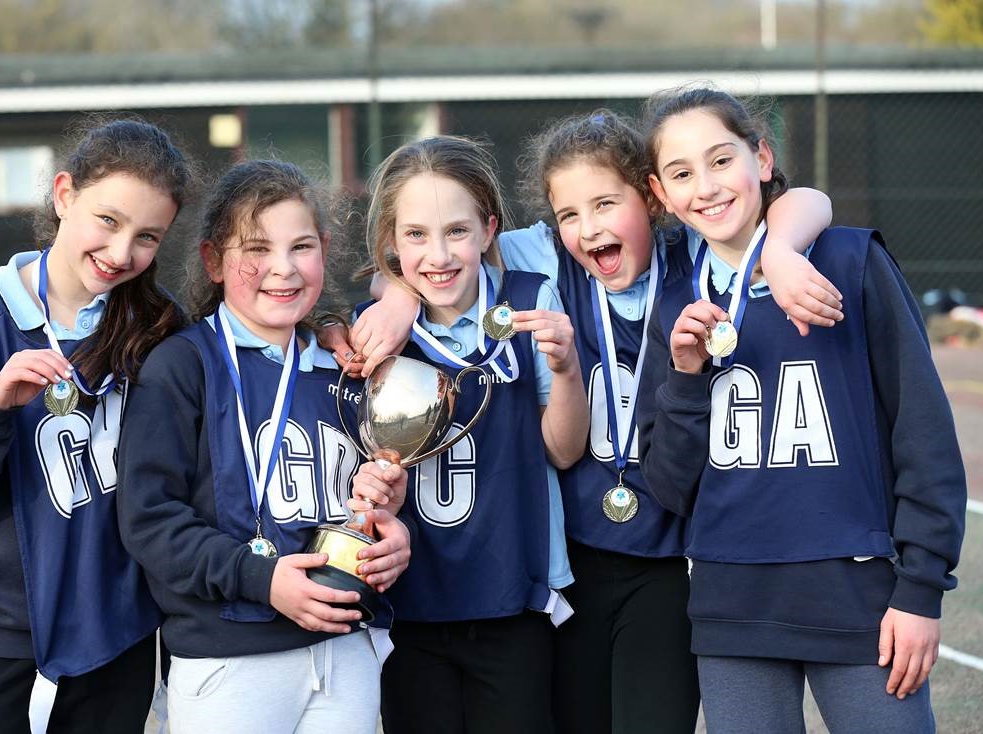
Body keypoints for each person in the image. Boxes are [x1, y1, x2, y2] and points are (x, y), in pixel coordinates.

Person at [327, 110, 839, 734]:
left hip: (668, 554)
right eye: (570, 214)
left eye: (605, 204)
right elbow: (436, 258)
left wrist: (779, 247)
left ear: (654, 197)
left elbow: (804, 200)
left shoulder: (694, 251)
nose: (588, 228)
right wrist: (400, 296)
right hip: (575, 558)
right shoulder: (541, 258)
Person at [637, 86, 966, 734]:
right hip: (733, 608)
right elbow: (670, 488)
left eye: (720, 159)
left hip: (857, 597)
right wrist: (683, 378)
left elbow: (922, 434)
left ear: (761, 157)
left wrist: (920, 589)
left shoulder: (847, 260)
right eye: (680, 173)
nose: (704, 186)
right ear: (660, 192)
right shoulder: (673, 301)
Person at [0, 118, 193, 733]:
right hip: (3, 631)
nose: (121, 254)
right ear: (64, 195)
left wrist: (371, 311)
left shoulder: (160, 327)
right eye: (108, 221)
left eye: (147, 237)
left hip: (119, 627)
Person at [115, 159, 413, 734]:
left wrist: (391, 531)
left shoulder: (350, 365)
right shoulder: (183, 365)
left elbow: (369, 497)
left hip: (345, 649)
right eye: (257, 248)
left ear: (324, 249)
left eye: (301, 246)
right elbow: (148, 519)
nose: (283, 269)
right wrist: (262, 579)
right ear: (213, 260)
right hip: (229, 657)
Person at [341, 135, 588, 734]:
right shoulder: (369, 332)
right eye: (416, 235)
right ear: (391, 245)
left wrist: (564, 367)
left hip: (511, 596)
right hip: (410, 604)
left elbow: (561, 449)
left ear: (488, 229)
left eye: (457, 231)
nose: (439, 254)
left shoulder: (530, 303)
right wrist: (390, 293)